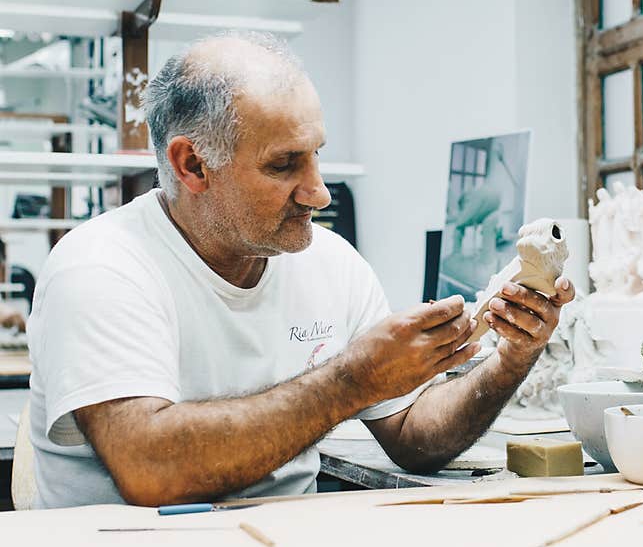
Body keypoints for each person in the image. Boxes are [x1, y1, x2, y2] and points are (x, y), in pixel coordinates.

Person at [26, 32, 574, 509]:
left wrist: (512, 357)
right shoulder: (101, 267)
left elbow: (413, 436)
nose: (319, 191)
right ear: (192, 165)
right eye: (284, 165)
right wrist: (351, 381)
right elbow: (152, 470)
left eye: (316, 155)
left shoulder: (330, 263)